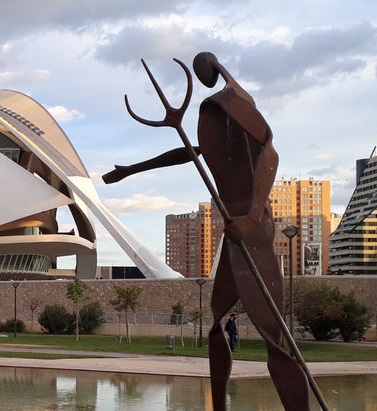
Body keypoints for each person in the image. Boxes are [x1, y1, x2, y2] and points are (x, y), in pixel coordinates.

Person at [103, 52, 310, 411]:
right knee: (217, 323)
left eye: (201, 70)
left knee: (272, 335)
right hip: (235, 228)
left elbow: (270, 154)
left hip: (250, 229)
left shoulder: (228, 102)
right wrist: (133, 169)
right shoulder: (218, 112)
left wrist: (252, 216)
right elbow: (190, 152)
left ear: (209, 68)